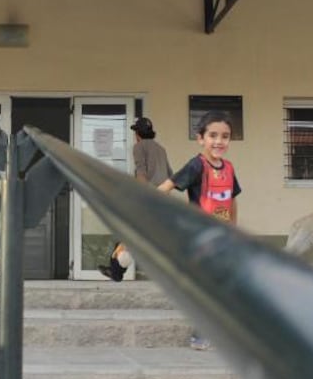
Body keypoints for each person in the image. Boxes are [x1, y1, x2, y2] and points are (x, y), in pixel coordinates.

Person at [158, 110, 240, 350]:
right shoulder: (197, 165)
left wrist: (233, 230)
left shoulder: (229, 168)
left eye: (225, 136)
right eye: (213, 135)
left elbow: (232, 200)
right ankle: (200, 334)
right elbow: (169, 184)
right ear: (200, 138)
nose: (219, 141)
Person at [98, 116, 173, 282]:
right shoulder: (161, 149)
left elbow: (141, 173)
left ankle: (116, 271)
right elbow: (170, 175)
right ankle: (116, 270)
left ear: (138, 133)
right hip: (162, 199)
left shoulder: (139, 147)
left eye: (135, 132)